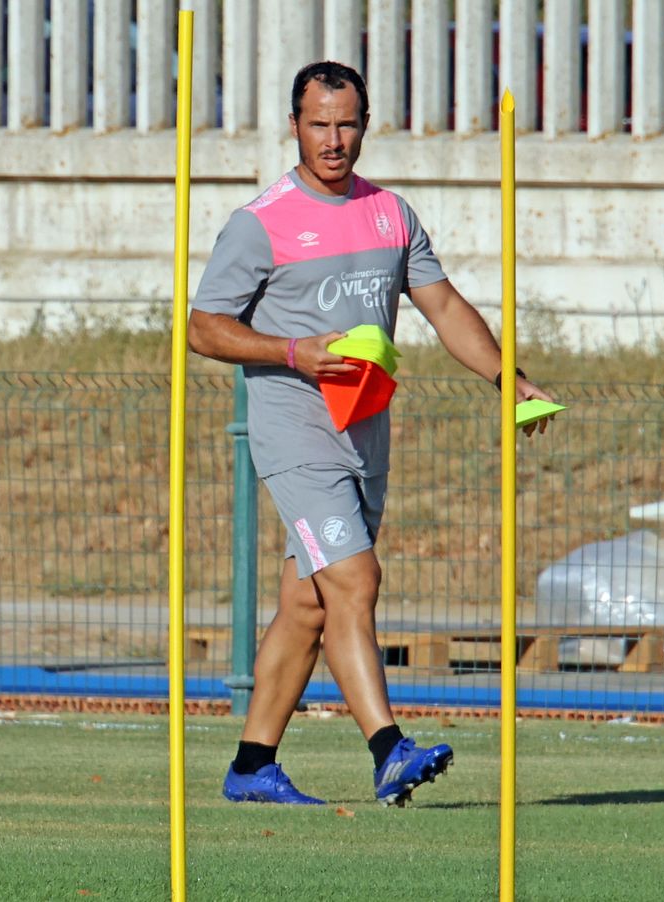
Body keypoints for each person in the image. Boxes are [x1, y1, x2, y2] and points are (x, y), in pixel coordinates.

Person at [189, 61, 556, 806]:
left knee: (309, 604)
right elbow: (203, 327)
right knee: (356, 581)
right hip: (295, 435)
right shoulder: (260, 222)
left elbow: (445, 308)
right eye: (319, 124)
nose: (334, 139)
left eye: (346, 123)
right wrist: (294, 352)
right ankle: (389, 749)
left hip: (365, 435)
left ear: (365, 124)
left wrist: (509, 381)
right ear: (293, 125)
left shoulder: (390, 214)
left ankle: (252, 765)